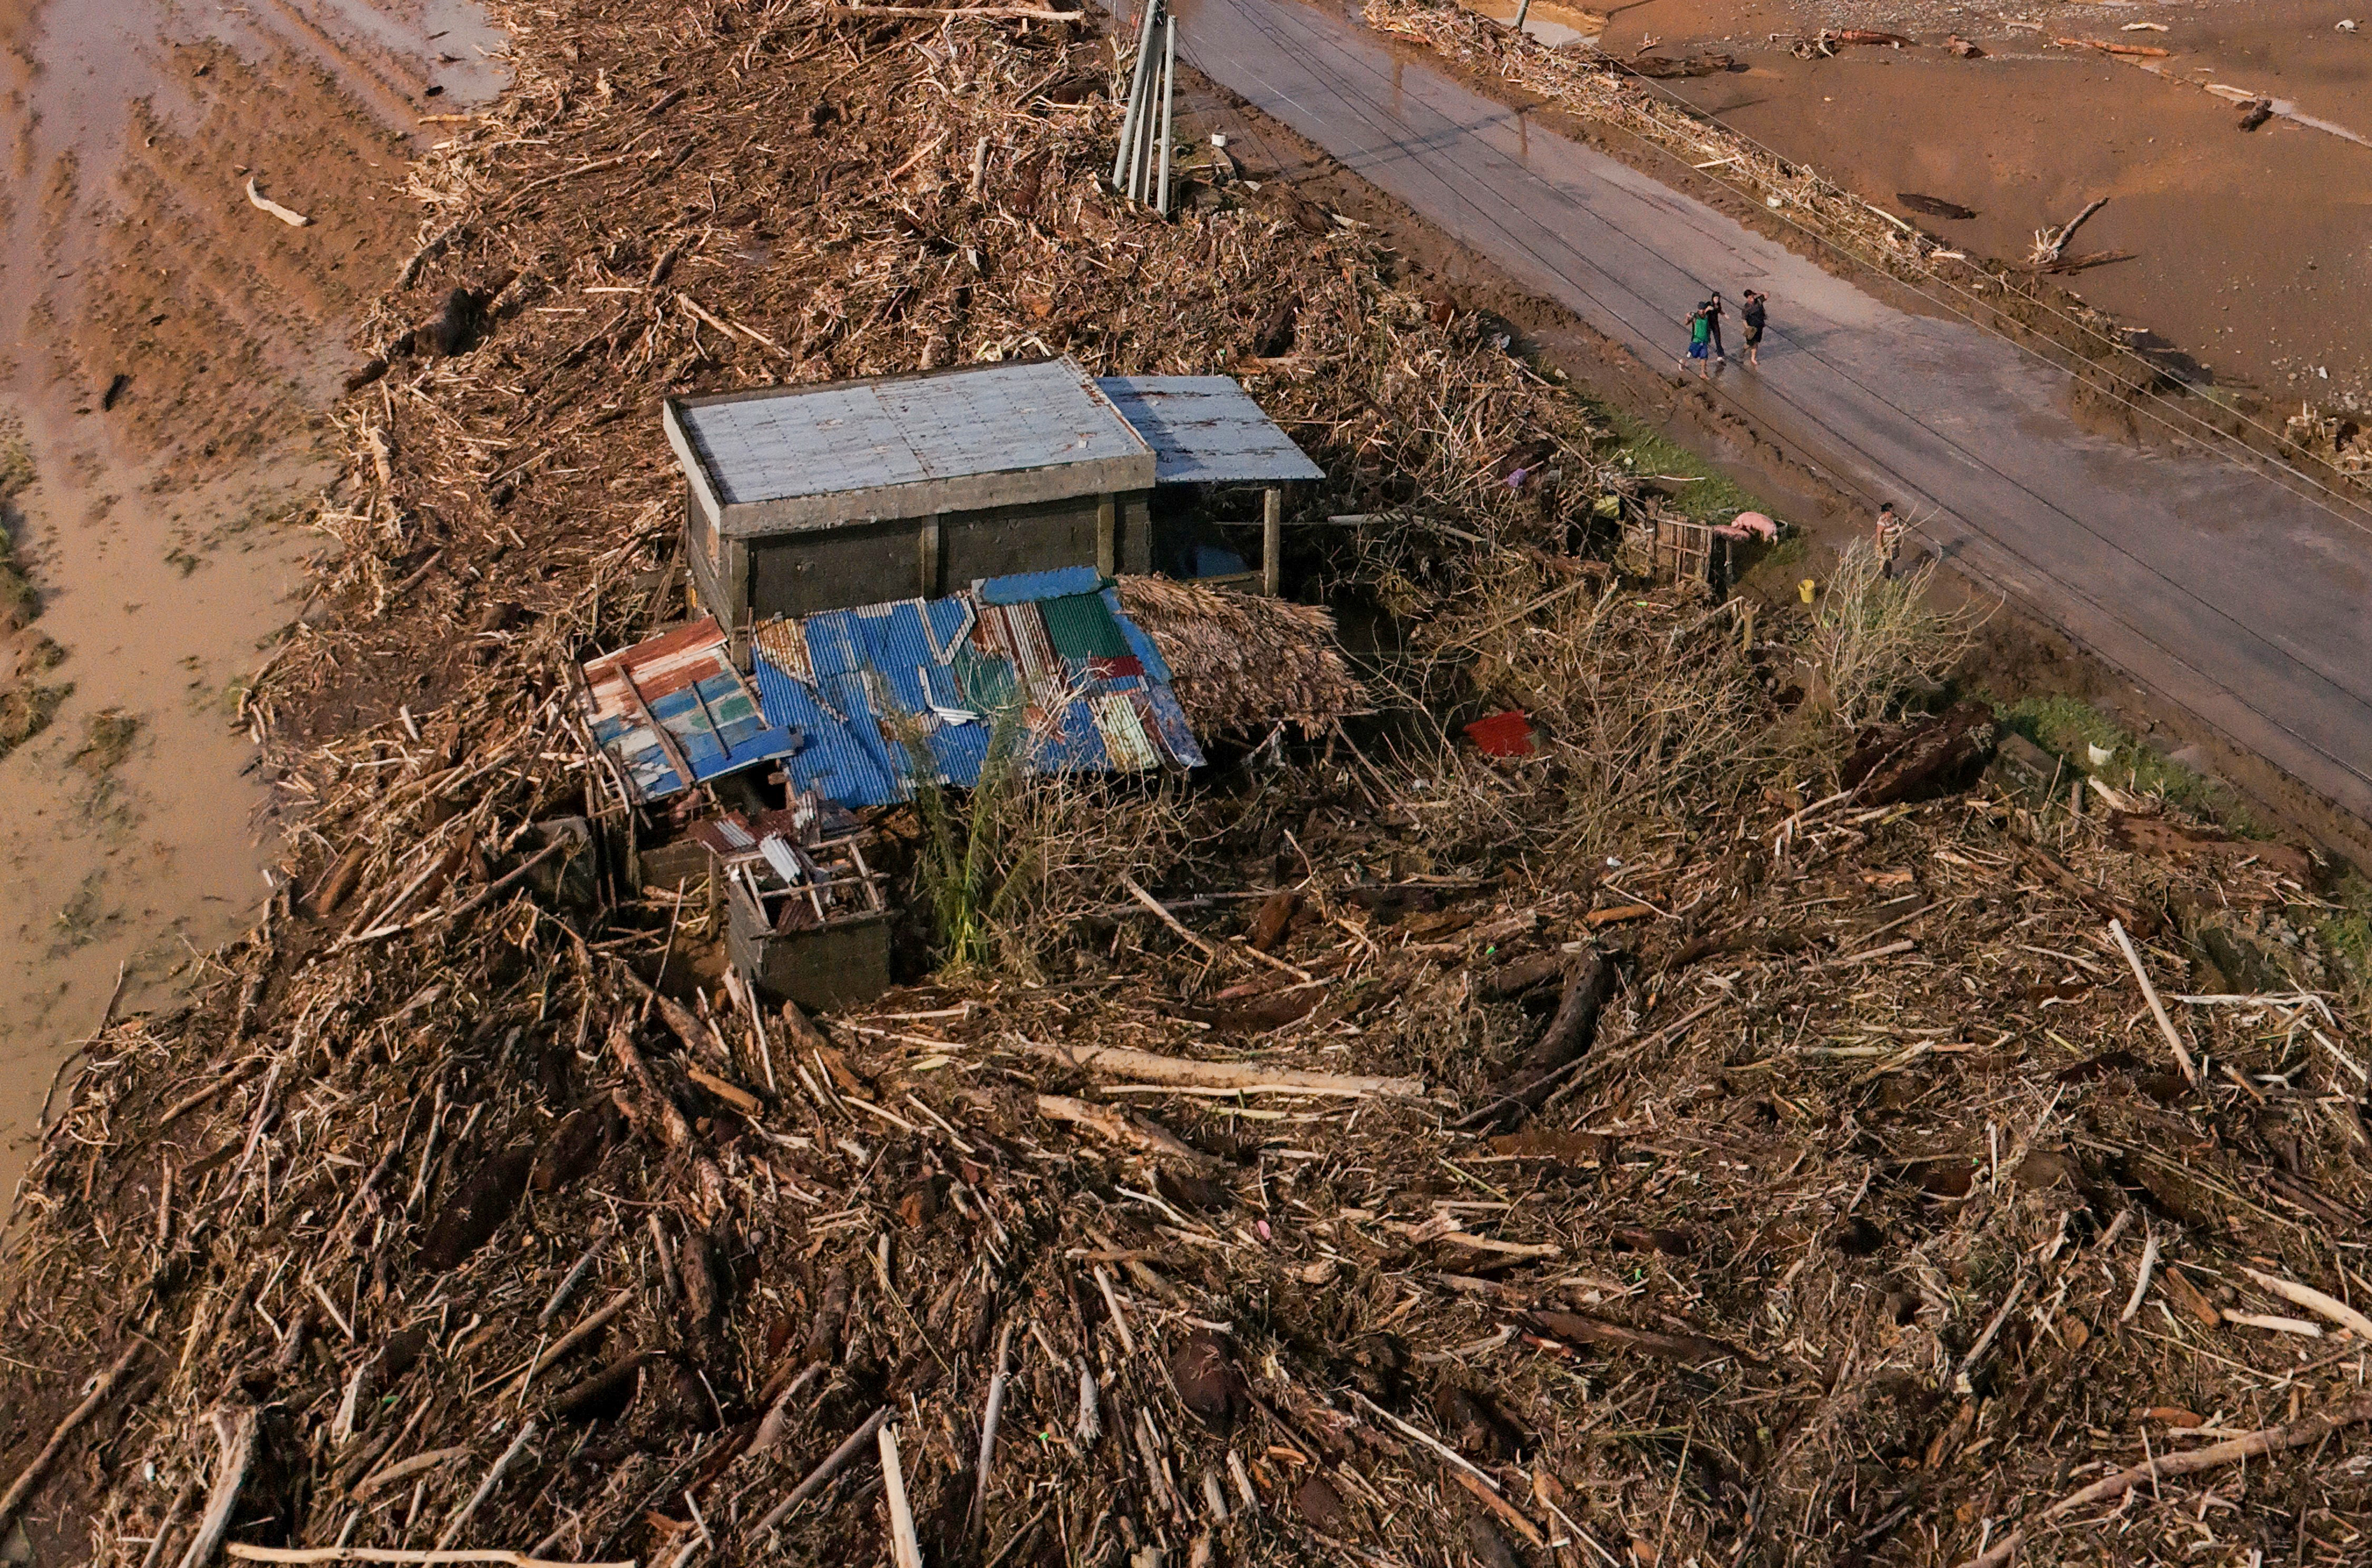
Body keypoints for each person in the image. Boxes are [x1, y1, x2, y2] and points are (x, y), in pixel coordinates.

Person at [1874, 501, 1906, 579]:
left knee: (1892, 559)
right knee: (1885, 560)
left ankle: (1889, 573)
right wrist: (1881, 547)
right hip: (1886, 544)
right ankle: (1885, 575)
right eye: (1891, 511)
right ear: (1887, 512)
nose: (1892, 512)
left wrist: (1900, 529)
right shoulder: (1882, 521)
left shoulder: (1895, 519)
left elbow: (1897, 527)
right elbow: (1879, 535)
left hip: (1894, 544)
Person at [1683, 301, 1713, 377]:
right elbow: (1686, 323)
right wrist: (1687, 317)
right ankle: (1683, 361)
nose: (1702, 311)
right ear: (1698, 309)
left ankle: (1702, 373)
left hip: (1704, 341)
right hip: (1696, 341)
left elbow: (1707, 327)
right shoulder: (1695, 316)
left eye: (1703, 309)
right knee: (1692, 355)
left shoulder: (1706, 317)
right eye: (1701, 310)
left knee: (1704, 357)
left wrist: (1708, 337)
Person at [1741, 289, 1767, 367]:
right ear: (1747, 298)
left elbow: (1766, 295)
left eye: (1752, 297)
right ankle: (1744, 349)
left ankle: (1753, 358)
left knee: (1756, 343)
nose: (1752, 299)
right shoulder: (1746, 308)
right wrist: (1747, 328)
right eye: (1750, 298)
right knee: (1750, 344)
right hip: (1752, 328)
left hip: (1760, 326)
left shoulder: (1758, 301)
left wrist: (1758, 292)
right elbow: (1744, 319)